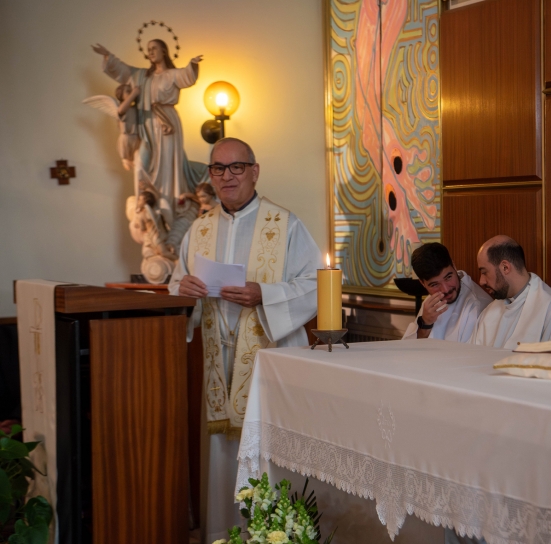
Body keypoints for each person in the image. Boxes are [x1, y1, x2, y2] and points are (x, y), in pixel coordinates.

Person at [168, 138, 322, 541]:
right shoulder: (198, 230)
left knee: (267, 452)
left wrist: (264, 295)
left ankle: (273, 536)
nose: (227, 176)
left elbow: (315, 286)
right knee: (221, 461)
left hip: (269, 363)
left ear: (255, 171)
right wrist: (181, 288)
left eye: (236, 167)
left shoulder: (285, 224)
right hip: (216, 362)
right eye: (218, 168)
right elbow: (176, 284)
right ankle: (223, 535)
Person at [92, 39, 209, 226]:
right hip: (146, 124)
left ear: (164, 50)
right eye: (148, 50)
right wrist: (108, 57)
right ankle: (143, 207)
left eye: (154, 48)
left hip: (167, 123)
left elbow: (186, 76)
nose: (151, 52)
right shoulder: (141, 76)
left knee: (168, 163)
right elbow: (124, 71)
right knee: (140, 163)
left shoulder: (171, 75)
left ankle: (171, 206)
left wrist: (192, 65)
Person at [470, 235, 551, 348]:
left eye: (484, 272)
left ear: (505, 267)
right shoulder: (489, 312)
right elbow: (472, 357)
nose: (481, 281)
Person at [401, 243, 491, 342]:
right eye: (435, 284)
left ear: (454, 265)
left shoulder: (477, 305)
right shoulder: (432, 301)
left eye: (448, 277)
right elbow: (409, 348)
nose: (445, 290)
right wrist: (425, 323)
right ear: (422, 283)